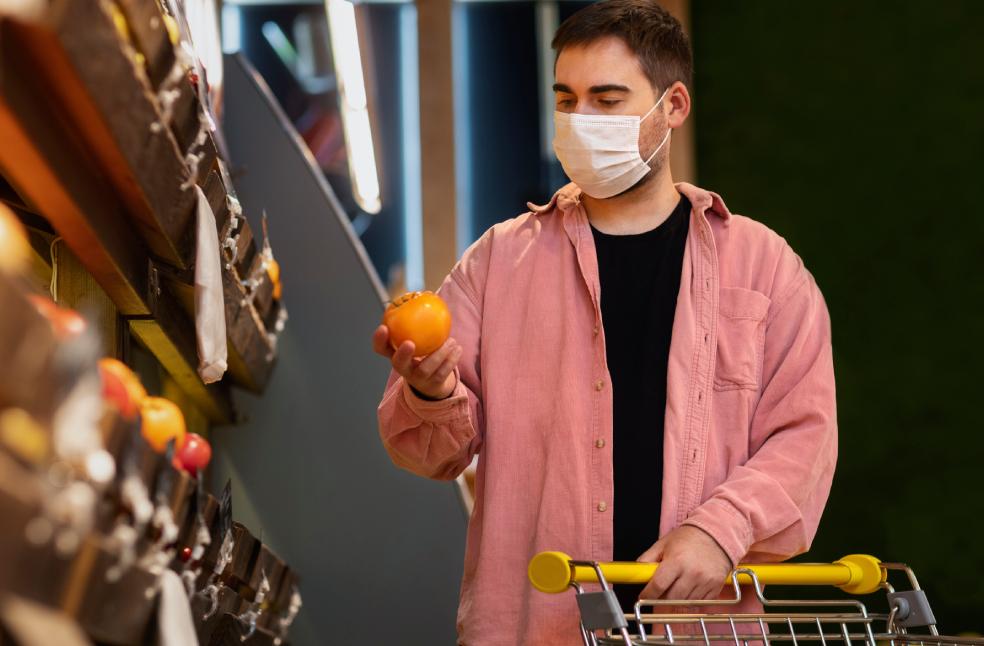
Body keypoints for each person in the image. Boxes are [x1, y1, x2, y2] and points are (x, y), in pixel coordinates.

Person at [373, 1, 837, 643]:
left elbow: (803, 440)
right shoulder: (497, 264)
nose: (579, 121)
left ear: (672, 106)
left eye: (607, 100)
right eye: (566, 100)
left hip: (702, 627)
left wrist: (718, 530)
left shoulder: (765, 269)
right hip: (534, 625)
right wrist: (428, 389)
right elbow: (426, 451)